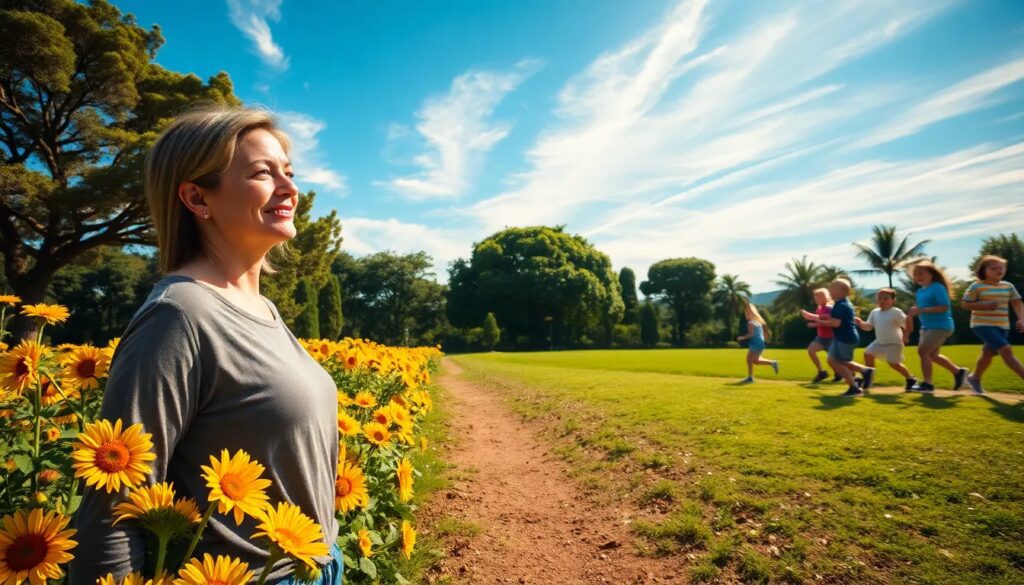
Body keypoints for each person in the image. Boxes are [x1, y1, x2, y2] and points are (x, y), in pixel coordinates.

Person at [70, 107, 343, 584]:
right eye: (263, 173)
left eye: (289, 172)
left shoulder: (262, 307)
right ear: (197, 197)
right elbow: (115, 498)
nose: (289, 188)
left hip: (318, 564)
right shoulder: (179, 315)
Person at [961, 255, 1024, 393]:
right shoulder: (977, 286)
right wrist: (982, 305)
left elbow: (1017, 303)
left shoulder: (1008, 286)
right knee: (1006, 350)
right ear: (984, 270)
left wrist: (1021, 319)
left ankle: (974, 378)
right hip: (982, 325)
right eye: (993, 268)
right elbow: (965, 304)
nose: (998, 270)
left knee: (988, 354)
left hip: (1003, 326)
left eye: (1001, 268)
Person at [803, 278, 874, 396]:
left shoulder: (841, 305)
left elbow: (835, 323)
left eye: (832, 288)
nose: (829, 290)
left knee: (835, 361)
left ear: (840, 291)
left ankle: (855, 386)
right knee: (840, 361)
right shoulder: (840, 303)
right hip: (845, 337)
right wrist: (816, 318)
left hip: (845, 338)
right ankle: (865, 372)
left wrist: (817, 321)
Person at [907, 260, 969, 392]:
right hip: (927, 327)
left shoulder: (937, 287)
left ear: (931, 274)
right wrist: (915, 310)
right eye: (915, 274)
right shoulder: (920, 291)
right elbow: (921, 307)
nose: (918, 276)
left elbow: (944, 306)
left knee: (923, 351)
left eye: (921, 273)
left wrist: (922, 310)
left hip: (941, 326)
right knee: (933, 355)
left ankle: (927, 384)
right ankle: (958, 372)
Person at [855, 288, 917, 390]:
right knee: (867, 354)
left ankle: (910, 378)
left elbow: (908, 325)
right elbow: (869, 327)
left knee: (894, 363)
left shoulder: (896, 312)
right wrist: (861, 323)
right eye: (879, 298)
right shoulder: (875, 312)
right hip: (879, 342)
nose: (882, 301)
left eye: (886, 298)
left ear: (893, 300)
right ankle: (869, 379)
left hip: (894, 343)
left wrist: (906, 336)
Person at [736, 300, 779, 383]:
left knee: (754, 361)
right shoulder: (758, 322)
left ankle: (772, 363)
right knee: (749, 359)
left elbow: (751, 334)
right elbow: (762, 333)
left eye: (746, 313)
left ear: (750, 314)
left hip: (757, 343)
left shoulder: (751, 323)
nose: (745, 315)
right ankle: (750, 377)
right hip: (757, 343)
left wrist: (742, 338)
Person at [804, 288, 837, 383]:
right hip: (821, 337)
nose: (816, 299)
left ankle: (845, 373)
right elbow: (820, 321)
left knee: (834, 360)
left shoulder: (830, 308)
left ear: (825, 297)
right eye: (815, 298)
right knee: (811, 350)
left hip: (831, 338)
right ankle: (821, 372)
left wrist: (814, 322)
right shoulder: (818, 309)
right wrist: (814, 324)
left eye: (818, 297)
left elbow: (830, 320)